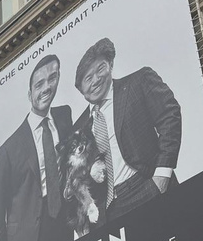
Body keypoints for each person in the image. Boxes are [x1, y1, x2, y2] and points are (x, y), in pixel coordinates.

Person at [71, 37, 182, 221]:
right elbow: (76, 172)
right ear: (81, 89)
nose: (96, 80)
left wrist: (162, 176)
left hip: (147, 185)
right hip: (109, 210)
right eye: (88, 78)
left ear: (111, 64)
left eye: (101, 69)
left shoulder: (139, 82)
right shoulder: (79, 128)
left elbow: (169, 116)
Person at [0, 54, 74, 241]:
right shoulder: (9, 149)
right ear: (30, 94)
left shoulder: (65, 116)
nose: (47, 88)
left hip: (65, 222)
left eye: (52, 78)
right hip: (29, 239)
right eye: (39, 84)